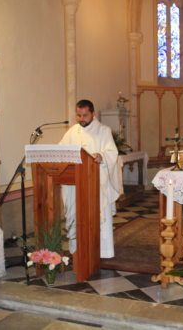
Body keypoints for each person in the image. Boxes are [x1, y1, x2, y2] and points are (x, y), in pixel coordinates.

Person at [59, 99, 121, 258]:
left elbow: (112, 153)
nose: (81, 119)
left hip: (97, 183)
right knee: (76, 216)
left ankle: (102, 252)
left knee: (98, 218)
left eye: (85, 115)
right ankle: (77, 250)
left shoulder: (103, 130)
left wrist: (102, 156)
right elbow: (60, 151)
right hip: (75, 185)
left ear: (92, 114)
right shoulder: (72, 131)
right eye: (78, 115)